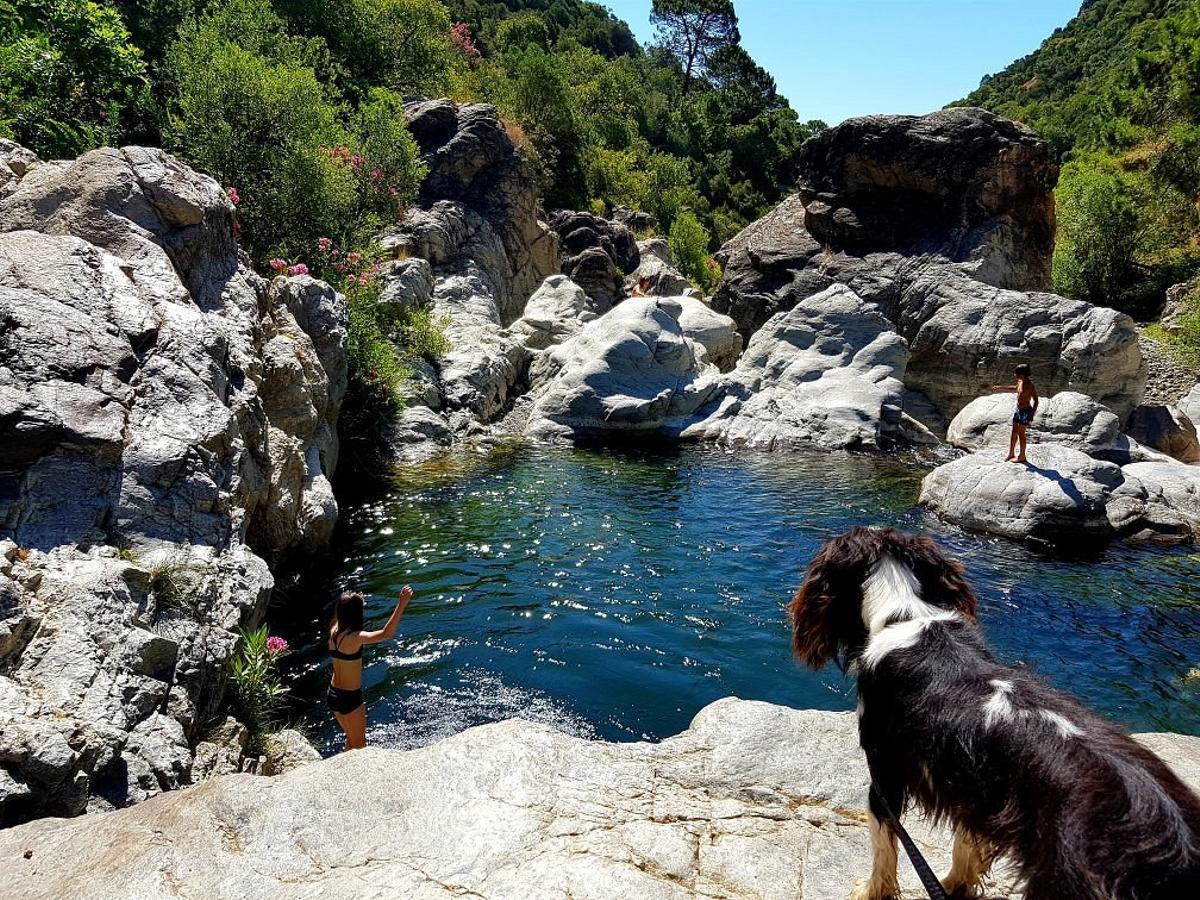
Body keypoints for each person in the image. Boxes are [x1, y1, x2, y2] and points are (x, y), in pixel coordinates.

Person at [327, 586, 412, 750]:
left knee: (351, 740)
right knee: (360, 747)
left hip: (333, 693)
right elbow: (386, 634)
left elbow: (343, 610)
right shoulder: (355, 638)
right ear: (356, 615)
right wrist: (402, 604)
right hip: (349, 698)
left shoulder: (334, 630)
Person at [993, 363, 1039, 463]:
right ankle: (1011, 453)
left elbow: (1036, 400)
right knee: (1014, 432)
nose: (1015, 375)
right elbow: (1015, 388)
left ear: (1022, 374)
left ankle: (1022, 456)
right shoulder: (1020, 381)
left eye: (1017, 373)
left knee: (1021, 433)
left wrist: (1032, 414)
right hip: (1018, 410)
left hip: (1026, 411)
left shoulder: (1030, 385)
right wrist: (1000, 388)